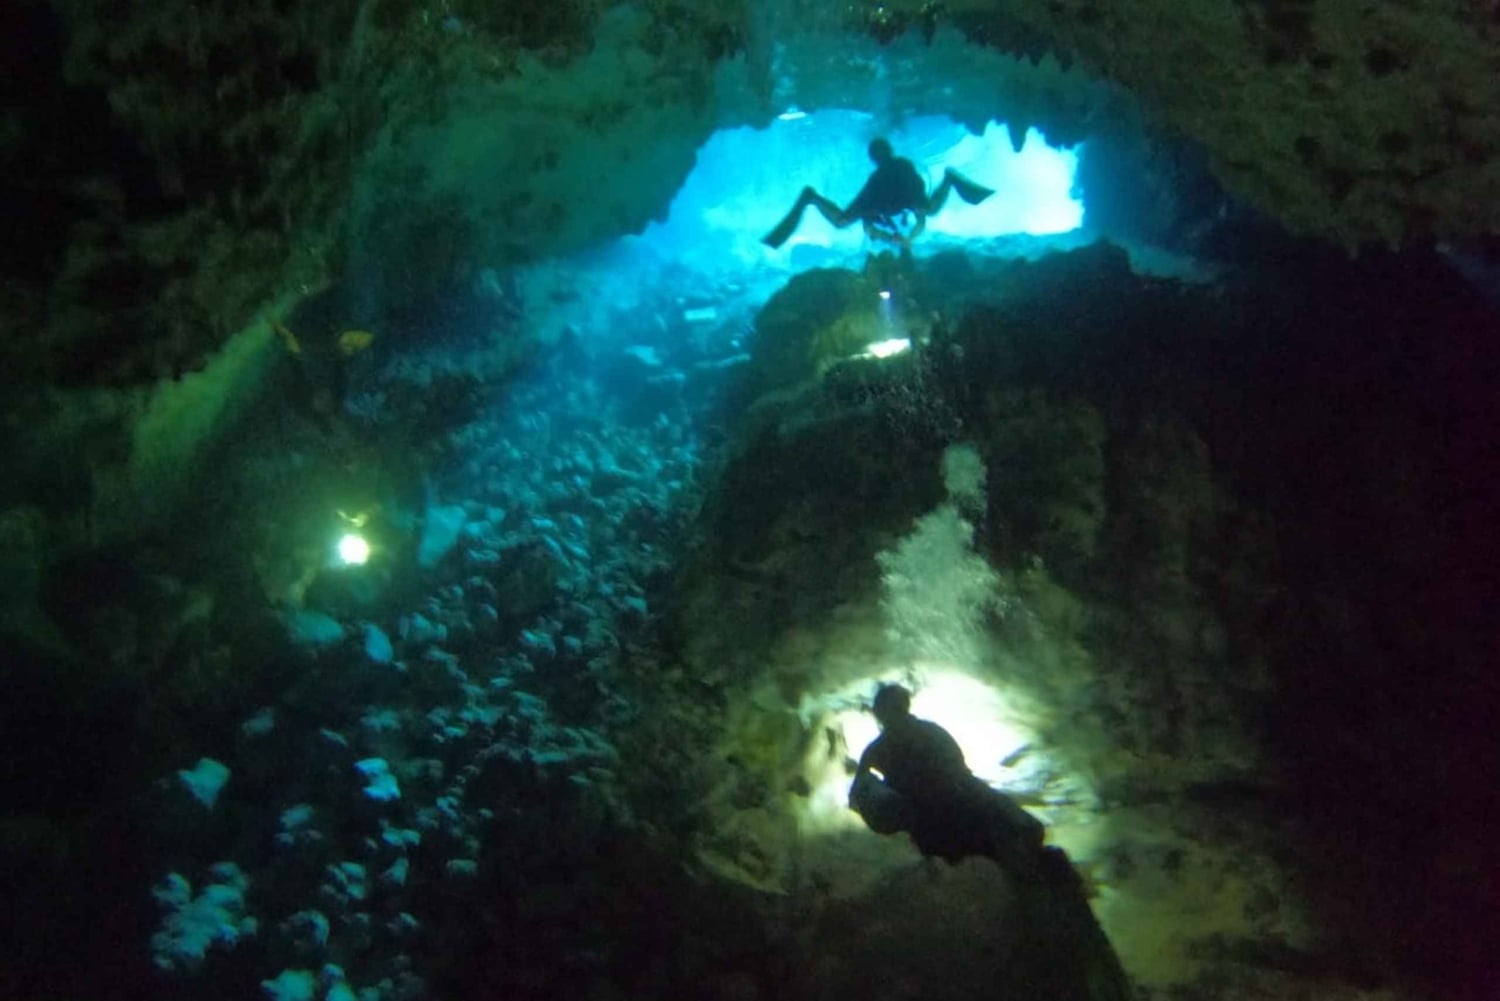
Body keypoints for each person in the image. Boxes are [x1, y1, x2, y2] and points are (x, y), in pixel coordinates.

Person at [849, 683, 1043, 866]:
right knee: (1011, 831)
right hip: (935, 815)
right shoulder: (919, 736)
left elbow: (959, 771)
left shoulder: (885, 746)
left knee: (1015, 831)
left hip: (947, 810)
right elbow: (861, 791)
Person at [762, 138, 995, 250]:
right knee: (929, 209)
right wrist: (903, 239)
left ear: (875, 158)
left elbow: (873, 223)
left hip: (891, 201)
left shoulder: (890, 174)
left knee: (841, 221)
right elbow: (915, 217)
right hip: (890, 201)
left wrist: (903, 239)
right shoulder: (894, 172)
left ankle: (811, 197)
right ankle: (950, 178)